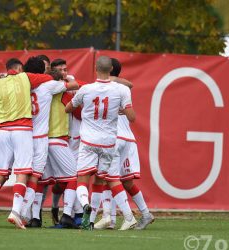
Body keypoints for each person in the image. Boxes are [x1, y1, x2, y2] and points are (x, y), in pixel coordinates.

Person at [65, 56, 136, 230]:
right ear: (111, 69)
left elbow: (68, 108)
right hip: (109, 142)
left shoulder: (86, 89)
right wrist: (119, 110)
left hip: (89, 141)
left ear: (95, 69)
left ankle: (85, 206)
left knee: (82, 179)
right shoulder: (121, 90)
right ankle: (125, 216)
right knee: (107, 179)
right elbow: (132, 117)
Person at [0, 58, 54, 229]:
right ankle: (15, 212)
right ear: (20, 68)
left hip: (3, 131)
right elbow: (48, 79)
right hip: (21, 130)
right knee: (22, 172)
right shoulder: (26, 77)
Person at [95, 58, 154, 230]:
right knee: (125, 182)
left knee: (108, 178)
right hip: (127, 139)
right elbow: (129, 84)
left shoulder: (107, 86)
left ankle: (111, 218)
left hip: (115, 139)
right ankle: (144, 214)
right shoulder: (123, 88)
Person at [19, 56, 79, 228]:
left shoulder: (25, 87)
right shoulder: (52, 87)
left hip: (30, 138)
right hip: (54, 139)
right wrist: (66, 78)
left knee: (40, 180)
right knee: (72, 178)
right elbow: (75, 88)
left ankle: (35, 217)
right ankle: (67, 215)